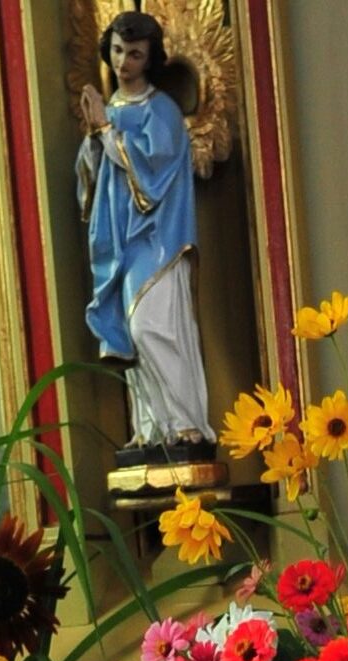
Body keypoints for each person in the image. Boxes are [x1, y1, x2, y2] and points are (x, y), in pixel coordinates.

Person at [76, 10, 215, 453]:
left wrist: (105, 130)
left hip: (158, 239)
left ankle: (187, 423)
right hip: (120, 240)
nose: (123, 62)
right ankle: (153, 429)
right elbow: (91, 177)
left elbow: (151, 175)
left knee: (151, 329)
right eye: (118, 51)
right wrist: (93, 139)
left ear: (150, 58)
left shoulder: (162, 111)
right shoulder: (113, 110)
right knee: (128, 338)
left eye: (134, 54)